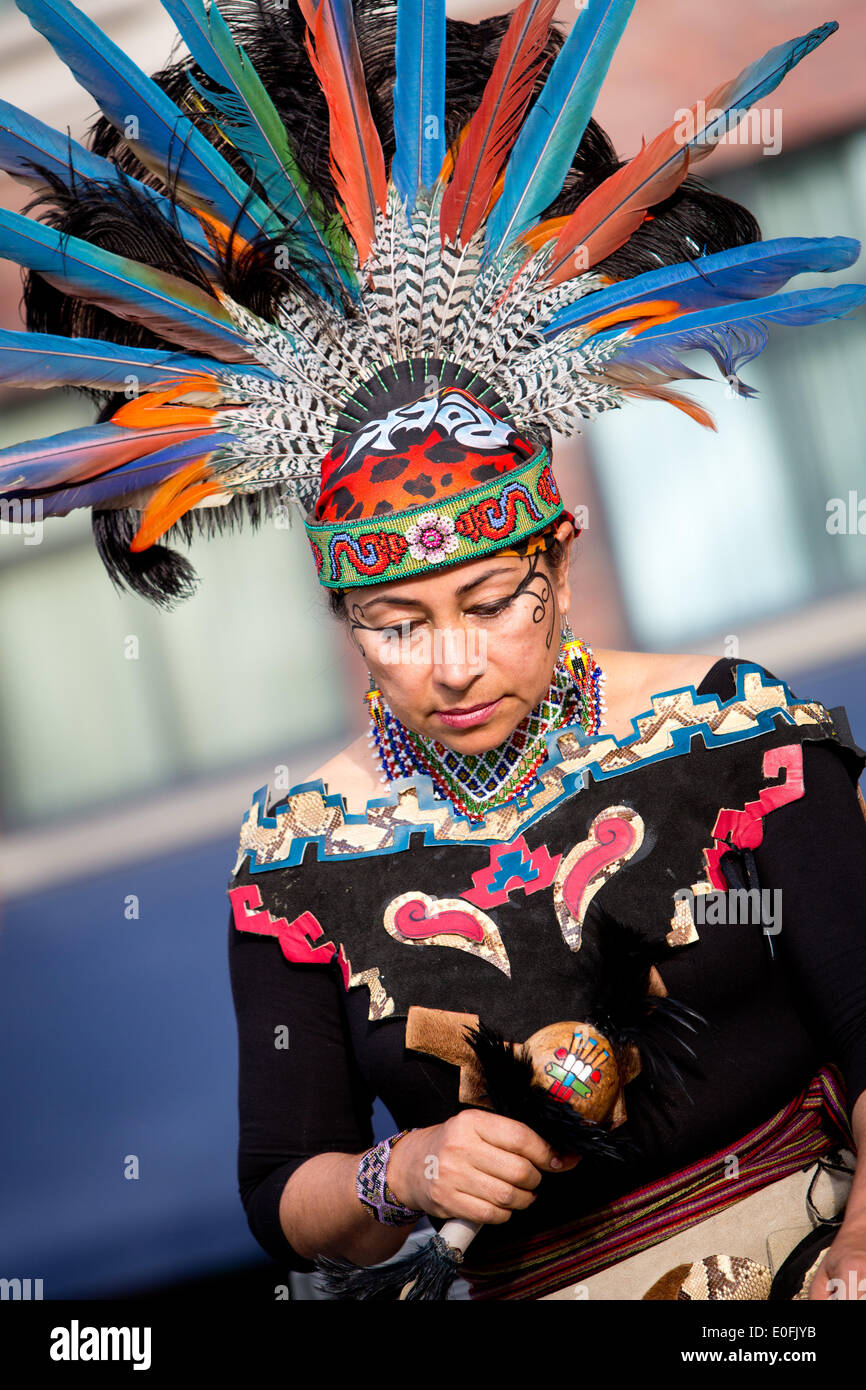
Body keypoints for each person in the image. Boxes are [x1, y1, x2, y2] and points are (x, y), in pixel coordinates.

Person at [1, 0, 864, 1300]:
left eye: (491, 600)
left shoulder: (743, 747)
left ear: (558, 560)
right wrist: (400, 1176)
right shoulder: (302, 857)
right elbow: (282, 1198)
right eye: (396, 624)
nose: (449, 661)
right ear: (344, 616)